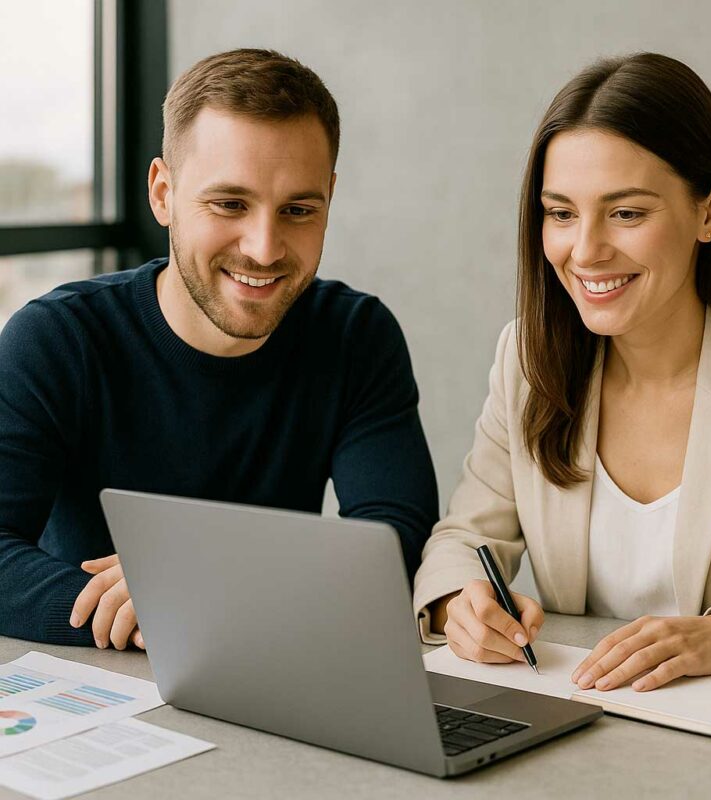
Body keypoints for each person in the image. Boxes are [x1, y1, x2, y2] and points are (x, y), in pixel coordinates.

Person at [0, 48, 438, 651]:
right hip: (100, 682)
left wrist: (206, 588)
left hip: (271, 674)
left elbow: (395, 541)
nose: (263, 248)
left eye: (299, 210)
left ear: (329, 199)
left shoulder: (355, 334)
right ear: (163, 194)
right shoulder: (56, 339)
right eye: (229, 204)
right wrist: (164, 602)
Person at [413, 52, 711, 689]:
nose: (585, 250)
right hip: (589, 739)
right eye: (561, 213)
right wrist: (462, 602)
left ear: (710, 211)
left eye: (626, 213)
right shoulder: (529, 361)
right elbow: (464, 536)